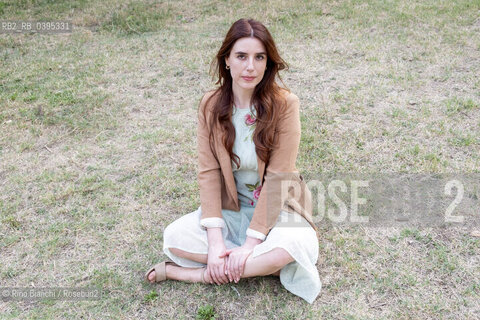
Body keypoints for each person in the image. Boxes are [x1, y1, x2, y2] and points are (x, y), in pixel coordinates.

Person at [145, 18, 321, 304]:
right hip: (233, 208)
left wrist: (251, 243)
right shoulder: (210, 105)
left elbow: (279, 176)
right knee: (174, 237)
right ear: (227, 60)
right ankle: (259, 265)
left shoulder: (286, 104)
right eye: (241, 56)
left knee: (293, 246)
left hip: (279, 211)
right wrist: (215, 243)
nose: (250, 66)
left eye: (259, 57)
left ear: (267, 63)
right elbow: (209, 172)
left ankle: (198, 274)